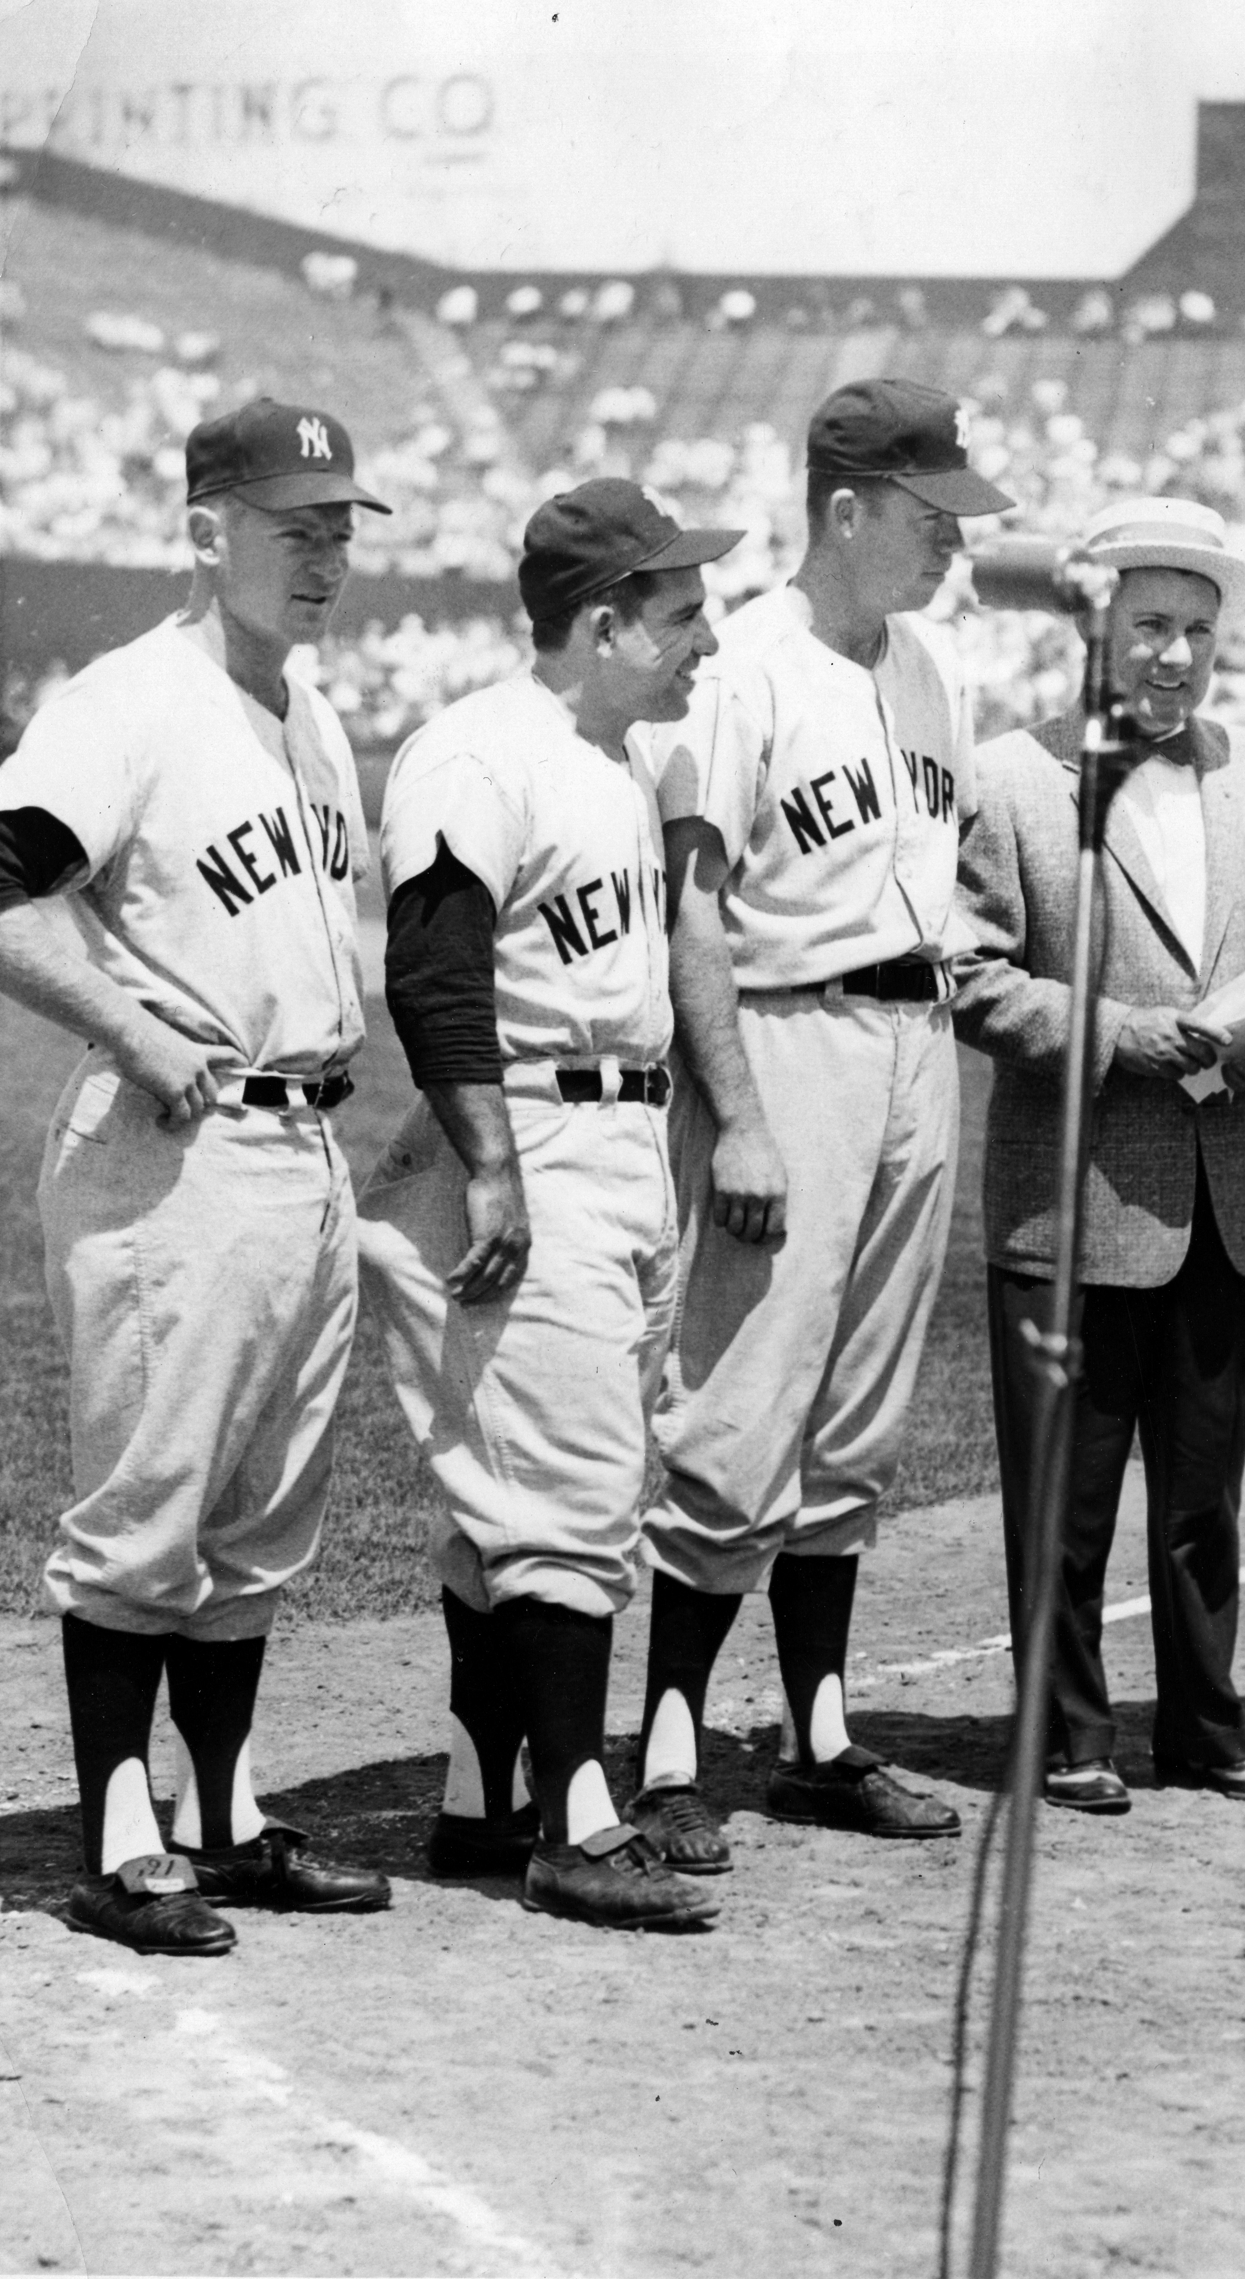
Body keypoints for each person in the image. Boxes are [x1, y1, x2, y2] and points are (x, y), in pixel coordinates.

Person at [0, 398, 393, 1954]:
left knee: (258, 1512)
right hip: (171, 1144)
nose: (325, 557)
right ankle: (116, 1834)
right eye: (293, 526)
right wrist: (130, 1024)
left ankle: (224, 1816)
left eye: (339, 528)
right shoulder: (131, 702)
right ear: (203, 529)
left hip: (296, 1142)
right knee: (152, 1504)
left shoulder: (306, 710)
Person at [623, 381, 1011, 1871]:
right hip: (789, 1041)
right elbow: (697, 909)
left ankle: (821, 1733)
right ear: (845, 509)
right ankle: (666, 1741)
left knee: (857, 1416)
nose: (949, 549)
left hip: (918, 1040)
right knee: (739, 1400)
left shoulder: (935, 670)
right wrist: (736, 1115)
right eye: (930, 520)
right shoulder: (744, 673)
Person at [356, 479, 741, 1932]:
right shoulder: (474, 751)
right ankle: (578, 1819)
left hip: (616, 1139)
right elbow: (435, 972)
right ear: (601, 622)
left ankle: (479, 1789)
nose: (705, 636)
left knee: (516, 1491)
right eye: (682, 610)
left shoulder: (617, 757)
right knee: (571, 1495)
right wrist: (496, 1161)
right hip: (527, 1127)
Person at [955, 496, 1245, 1810]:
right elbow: (972, 975)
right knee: (1066, 1503)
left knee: (1201, 1495)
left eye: (1196, 631)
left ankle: (1209, 1722)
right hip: (1074, 1197)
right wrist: (1123, 1035)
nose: (1174, 655)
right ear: (1098, 633)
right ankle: (1067, 1730)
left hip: (1228, 1183)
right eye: (1149, 627)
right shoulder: (1017, 777)